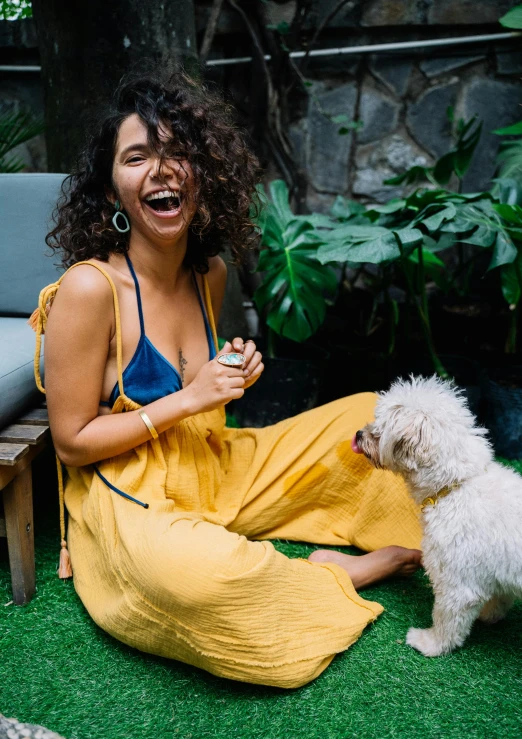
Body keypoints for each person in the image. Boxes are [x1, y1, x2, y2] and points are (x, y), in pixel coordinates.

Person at [32, 72, 422, 689]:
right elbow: (72, 442)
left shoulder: (207, 273)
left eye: (177, 152)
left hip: (213, 465)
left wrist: (233, 373)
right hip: (132, 491)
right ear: (111, 189)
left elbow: (207, 398)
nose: (160, 170)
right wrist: (190, 397)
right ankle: (342, 572)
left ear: (203, 174)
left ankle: (447, 539)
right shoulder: (90, 288)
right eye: (137, 157)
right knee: (199, 576)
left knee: (367, 417)